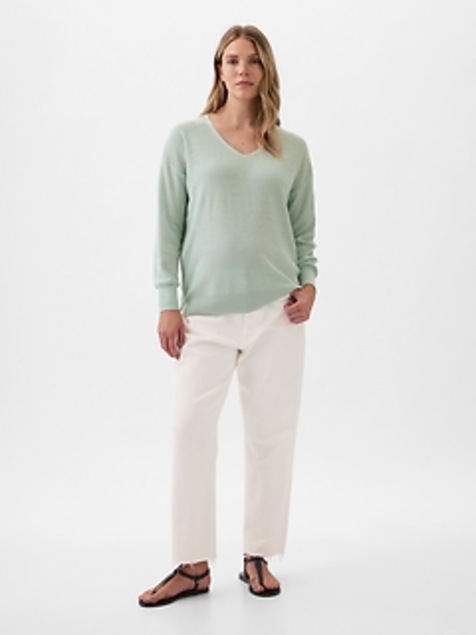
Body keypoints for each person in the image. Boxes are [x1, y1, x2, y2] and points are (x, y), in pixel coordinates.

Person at [139, 24, 318, 607]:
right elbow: (168, 225)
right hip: (206, 317)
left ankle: (257, 554)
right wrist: (167, 300)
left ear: (266, 71)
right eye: (232, 60)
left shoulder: (292, 149)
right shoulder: (187, 140)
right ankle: (192, 565)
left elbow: (303, 231)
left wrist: (309, 284)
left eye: (253, 61)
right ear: (218, 69)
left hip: (277, 314)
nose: (243, 70)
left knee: (271, 437)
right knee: (189, 431)